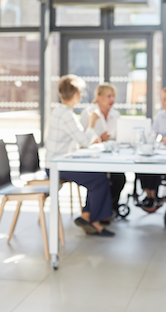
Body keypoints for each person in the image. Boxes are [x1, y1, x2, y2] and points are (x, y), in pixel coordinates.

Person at [46, 75, 115, 237]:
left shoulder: (60, 111)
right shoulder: (67, 115)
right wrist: (92, 122)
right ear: (76, 94)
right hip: (57, 166)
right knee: (99, 180)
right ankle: (93, 221)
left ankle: (87, 216)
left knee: (98, 177)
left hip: (59, 162)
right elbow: (84, 141)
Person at [79, 83, 126, 214]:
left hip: (111, 156)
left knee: (119, 178)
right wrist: (100, 137)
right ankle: (100, 212)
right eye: (108, 96)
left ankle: (110, 208)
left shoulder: (115, 115)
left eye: (113, 96)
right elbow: (82, 139)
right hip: (93, 157)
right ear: (98, 97)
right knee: (101, 178)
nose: (112, 100)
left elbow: (119, 136)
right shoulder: (88, 113)